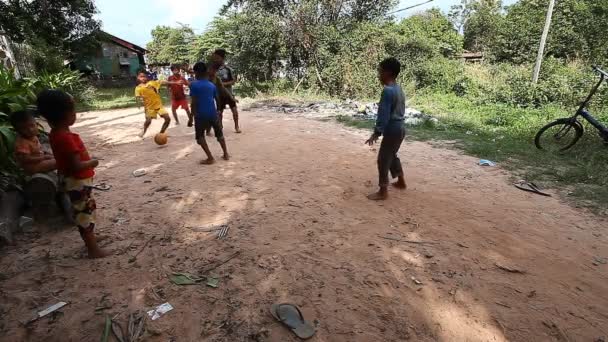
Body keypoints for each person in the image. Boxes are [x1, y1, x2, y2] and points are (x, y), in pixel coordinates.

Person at [36, 90, 108, 258]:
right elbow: (77, 166)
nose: (75, 114)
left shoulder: (56, 134)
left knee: (86, 210)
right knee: (84, 214)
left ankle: (92, 240)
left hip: (74, 181)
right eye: (74, 110)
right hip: (78, 181)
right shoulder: (65, 138)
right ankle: (93, 249)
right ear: (66, 114)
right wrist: (93, 161)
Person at [365, 57, 407, 201]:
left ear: (388, 73)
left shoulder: (388, 91)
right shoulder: (398, 88)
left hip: (392, 129)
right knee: (392, 155)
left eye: (380, 71)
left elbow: (383, 115)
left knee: (383, 159)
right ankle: (401, 181)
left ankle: (383, 191)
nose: (379, 75)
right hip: (401, 128)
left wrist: (376, 133)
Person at [190, 62, 229, 164]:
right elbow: (217, 99)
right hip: (213, 113)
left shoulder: (193, 85)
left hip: (200, 115)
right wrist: (219, 111)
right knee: (219, 134)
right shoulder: (211, 85)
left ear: (196, 73)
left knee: (200, 138)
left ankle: (210, 158)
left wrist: (191, 118)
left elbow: (193, 103)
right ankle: (226, 154)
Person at [135, 70, 184, 138]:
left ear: (146, 77)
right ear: (137, 78)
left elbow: (163, 82)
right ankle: (144, 131)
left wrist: (176, 82)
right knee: (148, 121)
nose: (143, 78)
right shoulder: (138, 88)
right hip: (149, 108)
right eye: (141, 77)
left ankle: (161, 133)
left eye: (144, 76)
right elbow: (137, 97)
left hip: (159, 106)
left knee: (167, 119)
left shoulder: (152, 83)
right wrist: (139, 103)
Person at [10, 110, 57, 175]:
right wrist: (43, 157)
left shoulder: (31, 137)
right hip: (32, 167)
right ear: (17, 130)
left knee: (56, 156)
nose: (30, 130)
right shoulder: (22, 143)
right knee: (58, 162)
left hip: (38, 161)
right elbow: (25, 159)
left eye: (32, 125)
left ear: (36, 123)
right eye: (24, 128)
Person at [211, 49, 241, 133]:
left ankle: (236, 127)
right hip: (219, 95)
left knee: (234, 111)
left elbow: (234, 81)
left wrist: (223, 84)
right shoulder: (214, 70)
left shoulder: (228, 69)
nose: (216, 59)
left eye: (218, 57)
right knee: (220, 112)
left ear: (222, 58)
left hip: (229, 93)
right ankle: (220, 127)